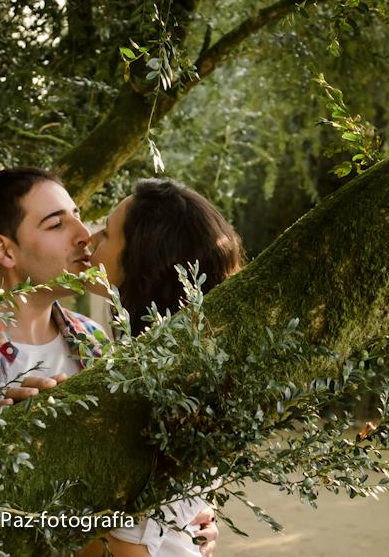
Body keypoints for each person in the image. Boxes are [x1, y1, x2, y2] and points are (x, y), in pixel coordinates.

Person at [0, 168, 218, 555]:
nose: (83, 234)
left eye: (77, 213)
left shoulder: (93, 340)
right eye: (57, 223)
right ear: (5, 251)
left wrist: (182, 517)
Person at [79, 178, 245, 556]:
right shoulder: (190, 364)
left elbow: (126, 540)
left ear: (142, 261)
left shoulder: (160, 385)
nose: (89, 240)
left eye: (106, 233)